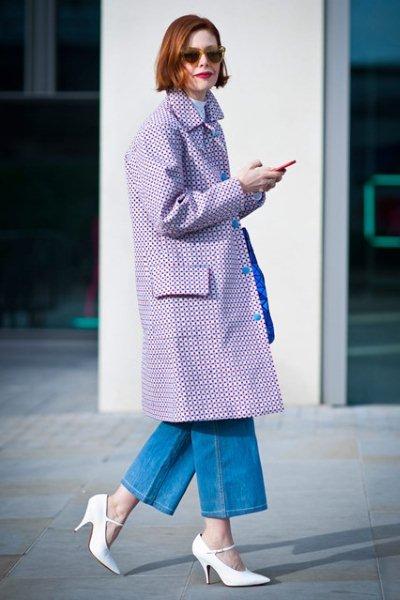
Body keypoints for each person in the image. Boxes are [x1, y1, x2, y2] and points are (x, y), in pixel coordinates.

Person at [74, 14, 286, 588]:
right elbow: (170, 214)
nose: (204, 63)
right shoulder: (160, 130)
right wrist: (238, 187)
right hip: (186, 297)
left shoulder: (206, 123)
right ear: (172, 61)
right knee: (220, 407)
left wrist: (253, 188)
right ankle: (216, 543)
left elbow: (209, 206)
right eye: (192, 55)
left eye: (212, 53)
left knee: (211, 409)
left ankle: (119, 509)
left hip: (211, 287)